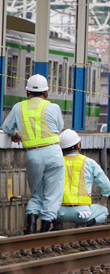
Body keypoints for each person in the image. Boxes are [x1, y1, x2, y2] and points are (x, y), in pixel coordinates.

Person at [2, 74, 65, 234]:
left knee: (36, 190)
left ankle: (30, 224)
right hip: (53, 152)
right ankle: (45, 226)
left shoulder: (18, 107)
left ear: (27, 92)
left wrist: (17, 134)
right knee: (52, 191)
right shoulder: (53, 107)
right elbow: (59, 127)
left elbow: (7, 127)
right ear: (46, 92)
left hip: (33, 154)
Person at [52, 129, 110, 230]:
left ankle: (57, 225)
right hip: (82, 213)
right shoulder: (88, 162)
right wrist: (102, 201)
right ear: (78, 145)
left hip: (58, 212)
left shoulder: (56, 163)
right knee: (104, 211)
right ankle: (86, 224)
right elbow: (106, 185)